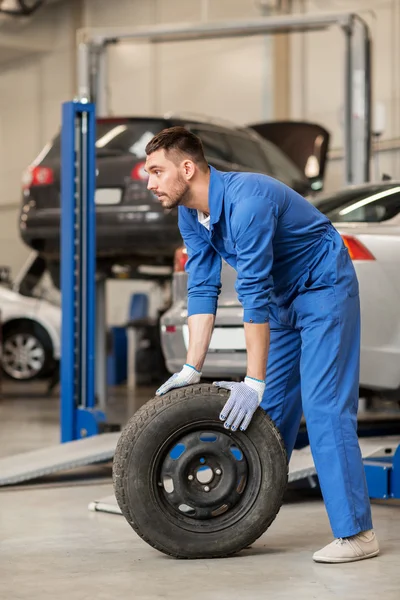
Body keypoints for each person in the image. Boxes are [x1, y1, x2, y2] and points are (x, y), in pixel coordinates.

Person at [144, 126, 379, 564]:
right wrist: (193, 367)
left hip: (323, 286)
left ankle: (358, 533)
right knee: (271, 413)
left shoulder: (248, 201)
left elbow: (251, 292)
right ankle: (244, 517)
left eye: (157, 171)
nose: (150, 182)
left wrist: (253, 378)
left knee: (324, 404)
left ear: (188, 168)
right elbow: (202, 288)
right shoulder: (190, 214)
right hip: (282, 298)